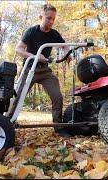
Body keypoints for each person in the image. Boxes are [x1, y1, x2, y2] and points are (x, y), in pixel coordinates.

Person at [14, 4, 71, 136]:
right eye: (48, 18)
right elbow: (18, 49)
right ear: (41, 17)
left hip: (45, 71)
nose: (51, 21)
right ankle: (9, 122)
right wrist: (35, 56)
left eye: (53, 19)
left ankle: (58, 126)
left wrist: (67, 55)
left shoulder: (54, 34)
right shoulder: (31, 31)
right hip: (30, 69)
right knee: (17, 96)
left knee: (57, 96)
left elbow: (65, 46)